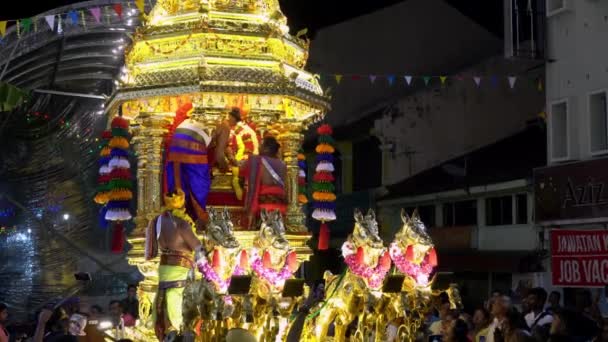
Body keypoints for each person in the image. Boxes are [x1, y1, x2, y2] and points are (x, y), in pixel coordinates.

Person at [145, 189, 206, 341]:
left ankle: (166, 330)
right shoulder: (181, 224)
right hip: (181, 270)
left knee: (163, 299)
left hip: (164, 268)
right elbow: (198, 248)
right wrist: (207, 268)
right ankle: (180, 331)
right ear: (182, 202)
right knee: (185, 301)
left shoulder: (156, 221)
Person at [164, 108, 230, 223]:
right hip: (194, 147)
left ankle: (177, 220)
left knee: (179, 185)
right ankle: (198, 221)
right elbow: (219, 155)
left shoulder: (194, 117)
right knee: (199, 187)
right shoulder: (225, 125)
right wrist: (226, 167)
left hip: (176, 144)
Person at [239, 136, 287, 229]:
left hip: (263, 209)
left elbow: (240, 170)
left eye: (260, 145)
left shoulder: (256, 160)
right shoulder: (283, 164)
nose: (258, 147)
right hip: (281, 208)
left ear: (266, 148)